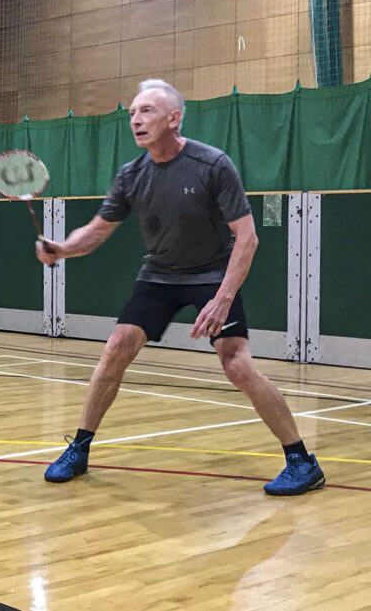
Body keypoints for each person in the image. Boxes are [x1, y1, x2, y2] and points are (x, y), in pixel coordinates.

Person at [35, 79, 324, 496]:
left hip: (211, 274)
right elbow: (98, 230)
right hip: (159, 274)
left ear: (174, 118)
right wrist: (61, 248)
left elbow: (248, 237)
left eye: (147, 111)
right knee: (116, 348)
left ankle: (302, 461)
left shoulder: (212, 164)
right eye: (133, 112)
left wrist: (222, 300)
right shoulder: (131, 174)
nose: (136, 119)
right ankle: (78, 449)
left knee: (237, 364)